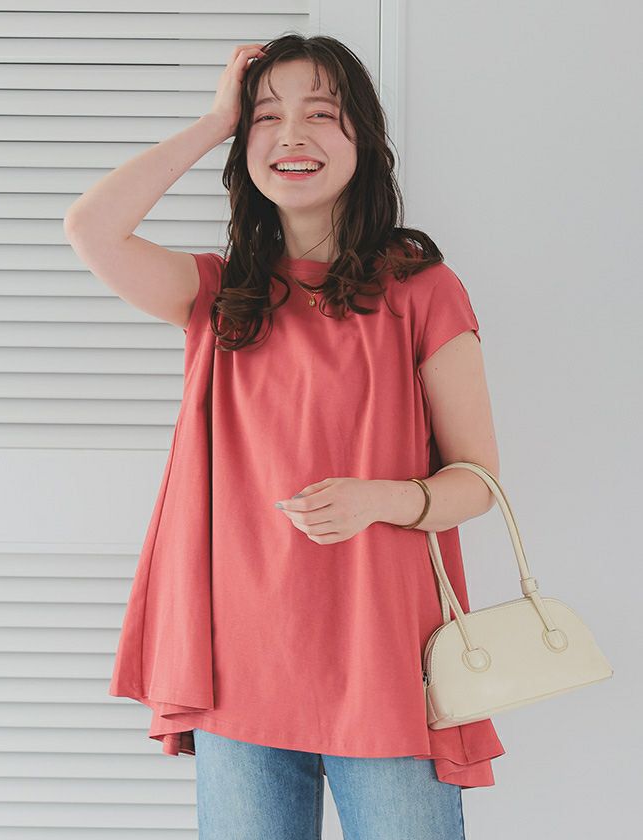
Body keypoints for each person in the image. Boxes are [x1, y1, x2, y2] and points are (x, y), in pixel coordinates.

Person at [65, 33, 505, 840]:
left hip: (387, 668)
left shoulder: (422, 291)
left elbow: (478, 482)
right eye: (267, 116)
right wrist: (215, 121)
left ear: (362, 141)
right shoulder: (218, 294)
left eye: (321, 114)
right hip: (241, 671)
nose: (292, 134)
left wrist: (382, 499)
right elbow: (91, 227)